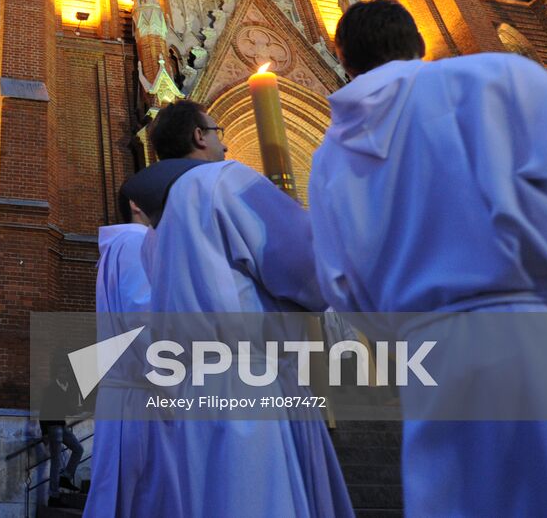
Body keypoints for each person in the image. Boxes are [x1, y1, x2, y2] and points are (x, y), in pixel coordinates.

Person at [310, 0, 547, 517]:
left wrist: (421, 340)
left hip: (444, 372)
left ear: (344, 61)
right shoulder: (500, 80)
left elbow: (340, 287)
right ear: (417, 41)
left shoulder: (328, 156)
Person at [137, 102, 354, 517]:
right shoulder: (227, 179)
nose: (225, 141)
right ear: (199, 137)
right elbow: (306, 269)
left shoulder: (159, 225)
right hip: (250, 385)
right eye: (216, 130)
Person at [82, 181, 152, 518]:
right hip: (144, 396)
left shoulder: (123, 245)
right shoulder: (137, 243)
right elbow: (145, 319)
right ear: (138, 204)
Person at [39, 347, 85, 507]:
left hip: (62, 426)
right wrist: (44, 432)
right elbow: (44, 411)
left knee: (78, 449)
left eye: (66, 372)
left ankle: (65, 477)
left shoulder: (66, 389)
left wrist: (78, 410)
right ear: (58, 374)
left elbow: (65, 408)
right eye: (62, 372)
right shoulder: (51, 389)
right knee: (56, 461)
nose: (64, 375)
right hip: (52, 427)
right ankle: (53, 496)